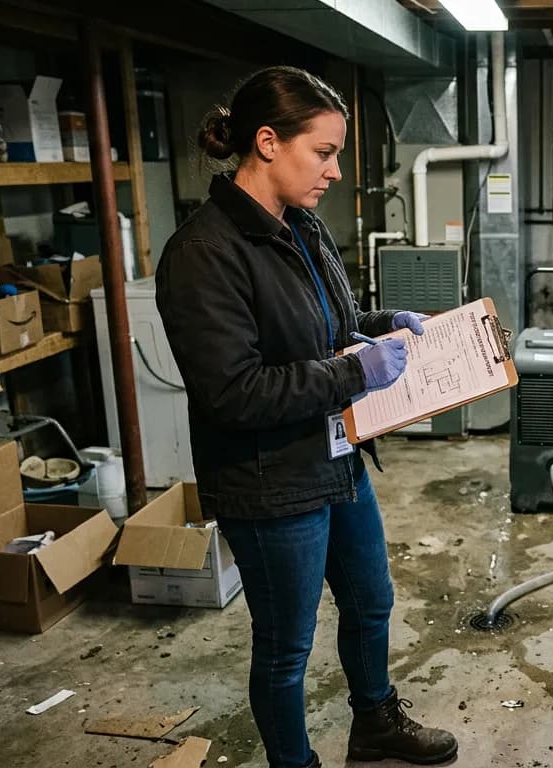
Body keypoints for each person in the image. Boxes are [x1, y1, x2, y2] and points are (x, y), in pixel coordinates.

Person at [155, 66, 457, 768]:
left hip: (335, 455)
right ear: (266, 142)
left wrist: (387, 326)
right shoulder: (202, 255)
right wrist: (356, 370)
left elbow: (333, 327)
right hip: (267, 483)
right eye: (323, 152)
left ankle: (375, 720)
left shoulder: (303, 226)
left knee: (371, 599)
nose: (336, 170)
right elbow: (235, 393)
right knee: (287, 646)